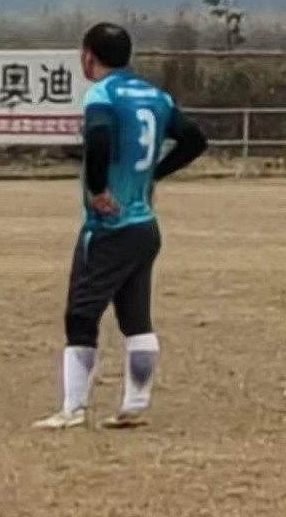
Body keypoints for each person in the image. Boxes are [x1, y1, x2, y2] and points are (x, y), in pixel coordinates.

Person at [36, 22, 208, 431]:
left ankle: (73, 408)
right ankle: (135, 402)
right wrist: (154, 176)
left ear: (88, 55)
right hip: (144, 226)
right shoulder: (156, 96)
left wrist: (97, 188)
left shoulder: (103, 94)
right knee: (135, 318)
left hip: (108, 226)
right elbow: (195, 140)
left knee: (81, 315)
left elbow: (97, 135)